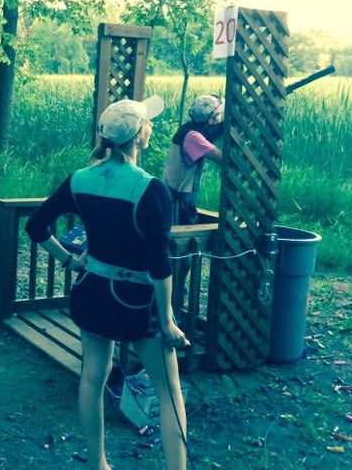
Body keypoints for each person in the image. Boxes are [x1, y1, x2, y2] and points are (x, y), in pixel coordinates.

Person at [25, 97, 189, 470]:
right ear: (140, 136)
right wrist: (166, 320)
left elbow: (36, 227)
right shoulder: (151, 189)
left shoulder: (80, 179)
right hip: (136, 299)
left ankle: (98, 464)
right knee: (169, 393)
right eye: (147, 123)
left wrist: (69, 260)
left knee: (92, 378)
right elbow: (159, 261)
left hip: (93, 289)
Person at [163, 94, 225, 226]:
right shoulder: (194, 137)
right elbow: (223, 159)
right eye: (218, 115)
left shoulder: (187, 129)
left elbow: (209, 133)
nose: (220, 117)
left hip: (174, 192)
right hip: (181, 196)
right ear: (211, 120)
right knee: (184, 232)